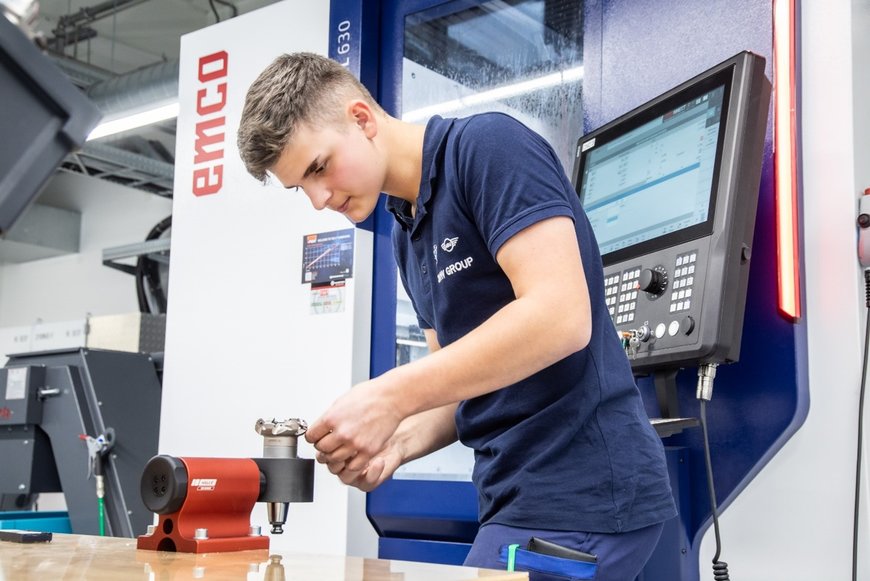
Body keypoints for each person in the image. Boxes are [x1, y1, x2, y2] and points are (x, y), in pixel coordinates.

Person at [237, 52, 677, 581]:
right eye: (299, 188)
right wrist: (394, 443)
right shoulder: (407, 233)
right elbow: (457, 387)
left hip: (578, 498)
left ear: (361, 118)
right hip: (512, 498)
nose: (317, 198)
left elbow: (561, 315)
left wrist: (387, 397)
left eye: (318, 167)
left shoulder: (487, 149)